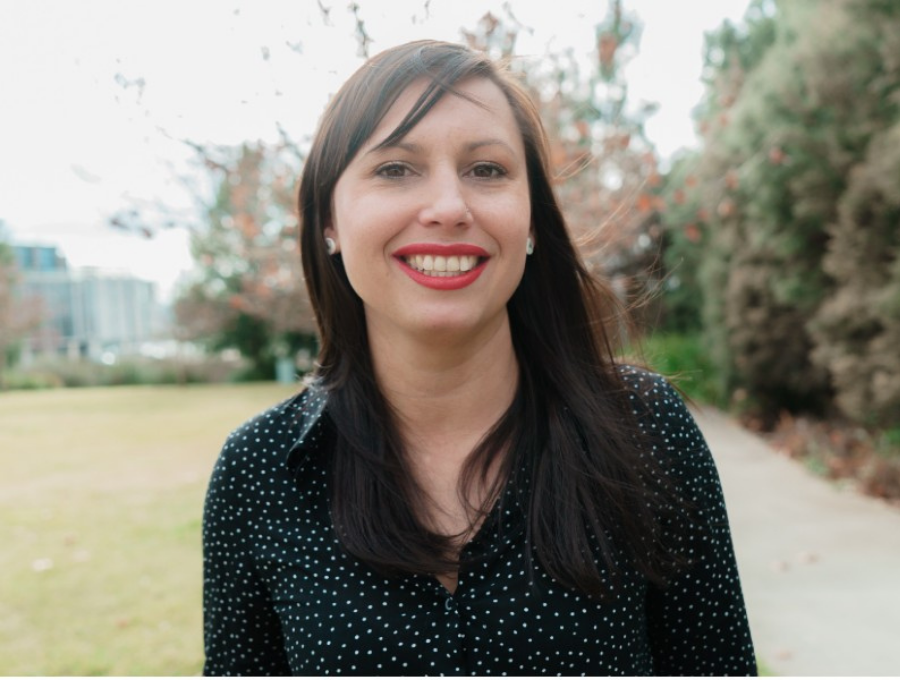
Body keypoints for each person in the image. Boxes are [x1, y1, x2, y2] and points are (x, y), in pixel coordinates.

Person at [202, 39, 756, 676]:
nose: (449, 208)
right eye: (395, 169)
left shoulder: (645, 430)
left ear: (530, 222)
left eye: (486, 170)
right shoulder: (259, 473)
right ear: (328, 219)